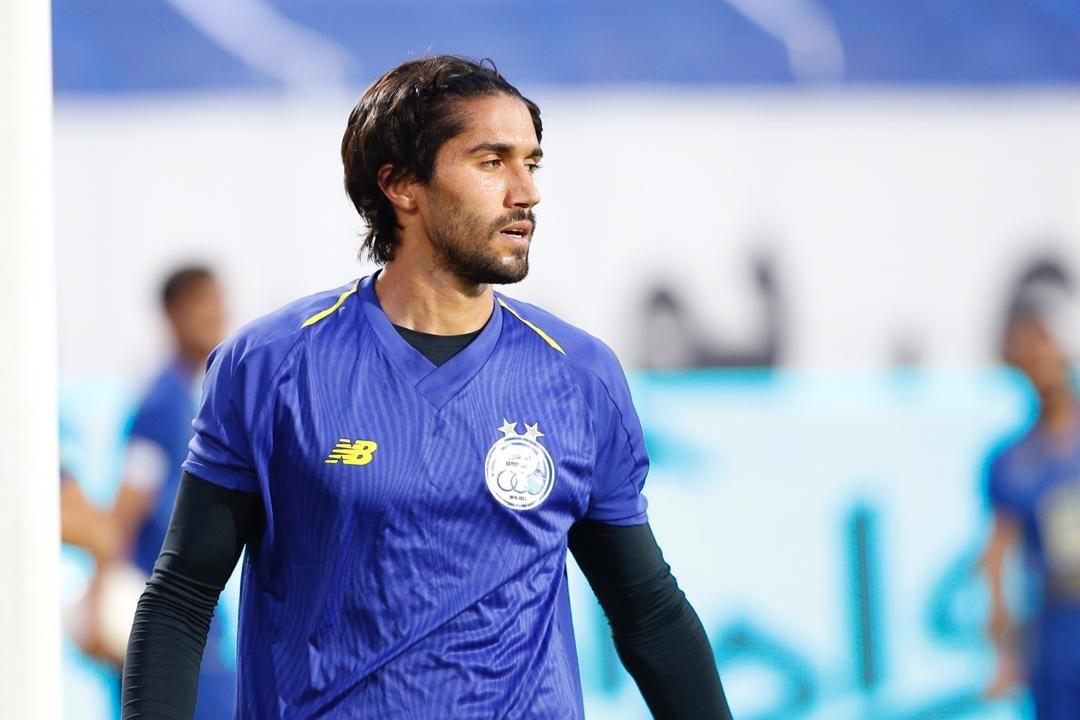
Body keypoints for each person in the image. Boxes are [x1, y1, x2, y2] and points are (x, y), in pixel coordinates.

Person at [122, 56, 731, 719]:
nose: (526, 192)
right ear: (401, 185)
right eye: (492, 162)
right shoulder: (271, 366)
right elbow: (181, 599)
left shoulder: (579, 375)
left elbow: (649, 613)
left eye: (532, 163)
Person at [110, 266, 235, 715]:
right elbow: (130, 498)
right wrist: (103, 585)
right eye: (201, 303)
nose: (215, 314)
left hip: (198, 612)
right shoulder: (163, 401)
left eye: (218, 301)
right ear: (173, 314)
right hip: (172, 609)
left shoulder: (195, 391)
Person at [982, 297, 1080, 719]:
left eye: (1045, 344)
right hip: (1055, 625)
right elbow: (997, 557)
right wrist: (1004, 656)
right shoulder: (1012, 462)